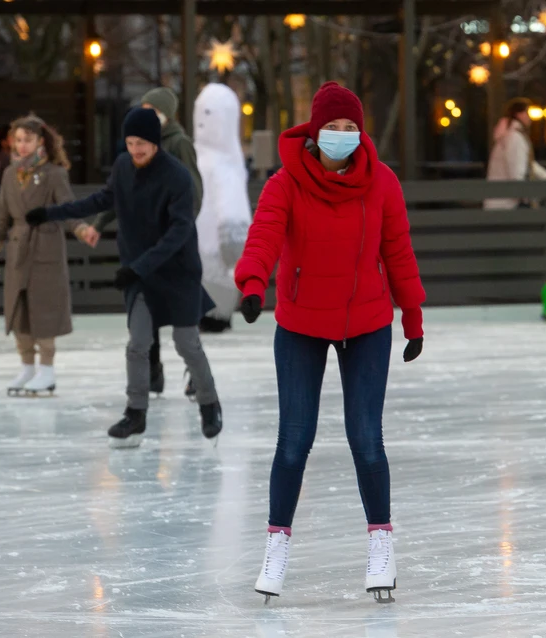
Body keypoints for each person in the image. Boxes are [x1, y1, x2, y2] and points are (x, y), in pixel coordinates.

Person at [234, 82, 426, 603]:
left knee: (367, 439)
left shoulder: (382, 182)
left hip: (366, 323)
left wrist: (412, 317)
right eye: (333, 127)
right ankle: (276, 548)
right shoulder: (286, 183)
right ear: (315, 132)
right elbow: (266, 233)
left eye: (350, 128)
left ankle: (381, 545)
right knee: (294, 441)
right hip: (300, 323)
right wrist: (252, 282)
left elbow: (399, 250)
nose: (342, 136)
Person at [25, 107, 222, 448]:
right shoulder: (122, 168)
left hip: (177, 273)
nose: (136, 150)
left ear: (156, 142)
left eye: (142, 143)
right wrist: (50, 214)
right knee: (138, 344)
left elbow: (179, 233)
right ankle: (136, 412)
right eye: (130, 143)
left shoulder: (177, 177)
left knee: (186, 343)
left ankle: (209, 402)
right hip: (141, 273)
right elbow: (101, 200)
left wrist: (137, 267)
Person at [81, 87, 205, 397]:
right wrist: (99, 223)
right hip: (141, 243)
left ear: (167, 113)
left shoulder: (179, 144)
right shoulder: (141, 146)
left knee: (181, 311)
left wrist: (181, 226)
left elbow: (194, 191)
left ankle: (195, 374)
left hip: (171, 244)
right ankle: (152, 371)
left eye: (154, 109)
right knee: (143, 307)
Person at [0, 114, 89, 396]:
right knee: (20, 309)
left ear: (40, 141)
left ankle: (47, 369)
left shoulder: (54, 173)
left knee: (44, 308)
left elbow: (68, 209)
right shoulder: (10, 174)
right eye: (17, 140)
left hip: (46, 249)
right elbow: (3, 216)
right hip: (19, 249)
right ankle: (27, 365)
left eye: (27, 140)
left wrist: (80, 229)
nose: (22, 145)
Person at [192, 83, 251, 334]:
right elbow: (233, 214)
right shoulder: (224, 164)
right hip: (215, 263)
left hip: (206, 261)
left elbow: (232, 215)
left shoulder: (203, 161)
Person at [484, 97, 546, 210]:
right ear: (519, 114)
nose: (530, 118)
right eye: (527, 112)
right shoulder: (514, 138)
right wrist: (529, 198)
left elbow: (527, 164)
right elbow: (517, 175)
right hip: (509, 205)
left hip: (502, 202)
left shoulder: (509, 136)